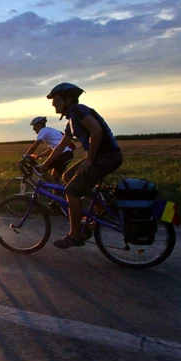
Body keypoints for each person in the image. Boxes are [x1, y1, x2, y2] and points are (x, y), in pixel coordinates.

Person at [41, 82, 123, 249]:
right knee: (68, 176)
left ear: (68, 99)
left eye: (56, 99)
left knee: (71, 190)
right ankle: (98, 213)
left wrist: (89, 160)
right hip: (103, 156)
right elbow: (61, 146)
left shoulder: (77, 111)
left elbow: (96, 131)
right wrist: (44, 165)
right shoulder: (71, 119)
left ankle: (75, 235)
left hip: (106, 157)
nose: (53, 104)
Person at [24, 116, 75, 182]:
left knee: (42, 169)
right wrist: (39, 156)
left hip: (62, 154)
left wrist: (25, 156)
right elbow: (50, 150)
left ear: (39, 125)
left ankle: (61, 189)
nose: (33, 129)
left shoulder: (43, 131)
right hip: (67, 154)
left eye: (34, 126)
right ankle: (59, 190)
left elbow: (34, 146)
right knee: (54, 177)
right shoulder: (50, 130)